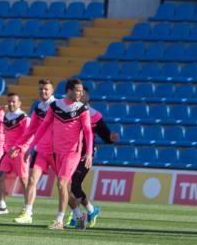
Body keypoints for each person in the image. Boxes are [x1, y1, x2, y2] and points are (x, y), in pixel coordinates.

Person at [11, 78, 92, 231]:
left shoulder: (83, 109)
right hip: (55, 152)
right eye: (78, 90)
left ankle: (59, 221)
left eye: (82, 91)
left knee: (61, 184)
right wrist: (30, 147)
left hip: (72, 153)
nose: (81, 93)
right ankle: (79, 215)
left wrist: (88, 153)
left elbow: (87, 131)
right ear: (69, 91)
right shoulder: (55, 106)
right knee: (64, 188)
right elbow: (42, 127)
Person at [66, 87, 119, 228]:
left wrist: (111, 138)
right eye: (79, 92)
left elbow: (105, 136)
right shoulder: (69, 110)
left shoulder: (94, 115)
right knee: (68, 185)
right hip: (70, 152)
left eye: (84, 93)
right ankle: (89, 210)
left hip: (86, 154)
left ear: (87, 97)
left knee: (73, 184)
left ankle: (77, 214)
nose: (81, 95)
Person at [13, 78, 57, 225]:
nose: (43, 91)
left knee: (65, 185)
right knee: (32, 181)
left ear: (52, 91)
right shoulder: (38, 107)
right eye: (41, 89)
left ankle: (79, 212)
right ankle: (28, 213)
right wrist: (19, 146)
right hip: (40, 150)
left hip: (58, 151)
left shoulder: (58, 106)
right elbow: (30, 130)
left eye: (46, 89)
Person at [0, 92, 31, 215]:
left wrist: (18, 149)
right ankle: (2, 206)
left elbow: (29, 136)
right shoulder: (6, 117)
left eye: (14, 101)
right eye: (9, 101)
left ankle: (27, 208)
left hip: (20, 153)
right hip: (8, 153)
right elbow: (3, 133)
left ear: (19, 103)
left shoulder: (24, 118)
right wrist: (6, 148)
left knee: (24, 181)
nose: (11, 103)